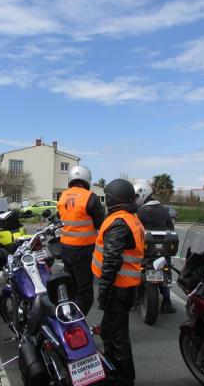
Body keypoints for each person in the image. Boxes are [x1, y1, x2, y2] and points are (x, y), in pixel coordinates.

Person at [91, 179, 144, 386]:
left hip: (118, 288)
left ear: (112, 200)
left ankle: (123, 379)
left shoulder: (119, 223)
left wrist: (103, 294)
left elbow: (112, 262)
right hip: (125, 286)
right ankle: (113, 370)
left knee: (118, 338)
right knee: (109, 331)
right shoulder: (131, 218)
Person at [56, 165, 105, 315]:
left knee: (71, 286)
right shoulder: (90, 197)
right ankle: (75, 324)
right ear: (87, 179)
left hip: (65, 248)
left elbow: (60, 217)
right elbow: (101, 223)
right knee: (85, 293)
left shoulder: (62, 196)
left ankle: (67, 313)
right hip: (83, 251)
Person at [133, 179, 177, 314]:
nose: (135, 199)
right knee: (165, 271)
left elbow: (133, 230)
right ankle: (167, 302)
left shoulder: (140, 212)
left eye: (136, 196)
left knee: (135, 271)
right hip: (163, 252)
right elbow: (171, 228)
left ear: (143, 194)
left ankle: (134, 300)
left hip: (144, 252)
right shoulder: (164, 210)